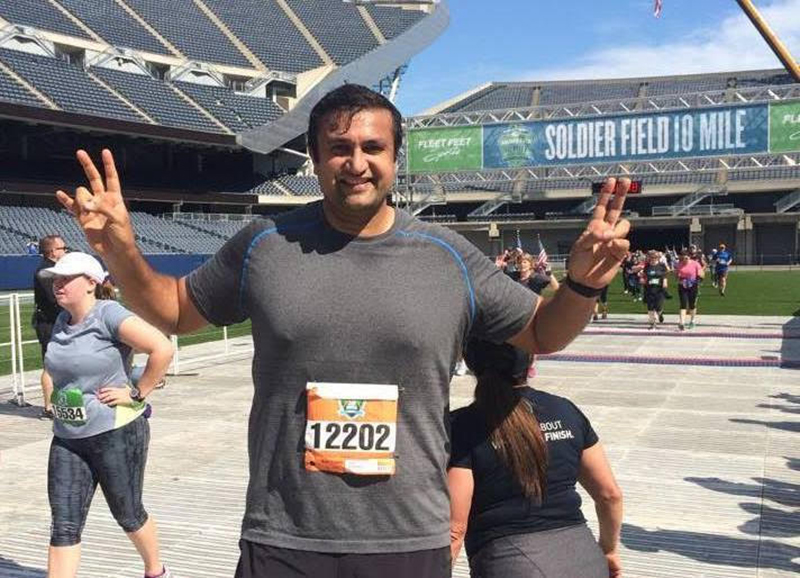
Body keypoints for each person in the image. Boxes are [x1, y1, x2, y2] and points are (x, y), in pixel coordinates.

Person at [56, 84, 632, 577]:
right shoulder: (265, 244)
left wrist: (581, 285)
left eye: (372, 147)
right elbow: (177, 310)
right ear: (314, 158)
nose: (356, 162)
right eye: (339, 148)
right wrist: (122, 252)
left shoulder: (447, 256)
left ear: (396, 157)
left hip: (407, 536)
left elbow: (543, 332)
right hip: (284, 533)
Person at [41, 251, 174, 578]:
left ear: (91, 283)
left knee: (128, 514)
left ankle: (156, 571)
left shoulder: (109, 315)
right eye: (55, 279)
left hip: (115, 432)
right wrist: (52, 397)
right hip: (68, 436)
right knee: (64, 525)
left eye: (66, 278)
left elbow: (162, 348)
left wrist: (137, 392)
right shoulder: (61, 321)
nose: (58, 284)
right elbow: (55, 369)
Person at [448, 339, 623, 578]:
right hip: (585, 559)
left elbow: (455, 529)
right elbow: (610, 495)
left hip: (510, 564)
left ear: (469, 362)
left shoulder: (462, 426)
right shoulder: (565, 410)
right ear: (531, 359)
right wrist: (609, 551)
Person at [32, 235, 67, 419]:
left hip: (57, 322)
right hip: (48, 324)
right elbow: (54, 300)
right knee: (50, 365)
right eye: (62, 248)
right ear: (52, 251)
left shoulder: (54, 269)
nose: (65, 251)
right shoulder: (45, 272)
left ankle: (60, 403)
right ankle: (48, 407)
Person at [675, 250, 704, 330]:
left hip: (693, 285)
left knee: (692, 304)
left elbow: (701, 274)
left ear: (689, 257)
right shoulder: (679, 265)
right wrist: (680, 278)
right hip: (682, 286)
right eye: (683, 258)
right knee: (683, 304)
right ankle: (682, 322)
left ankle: (692, 320)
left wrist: (697, 279)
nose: (685, 260)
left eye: (686, 258)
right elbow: (676, 276)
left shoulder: (695, 264)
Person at [641, 250, 668, 329]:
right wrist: (643, 280)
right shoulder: (647, 266)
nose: (653, 259)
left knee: (658, 307)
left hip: (659, 289)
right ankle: (653, 323)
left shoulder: (662, 266)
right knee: (650, 307)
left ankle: (660, 314)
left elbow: (665, 275)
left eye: (655, 257)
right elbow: (644, 275)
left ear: (658, 258)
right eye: (652, 257)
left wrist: (665, 281)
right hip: (649, 288)